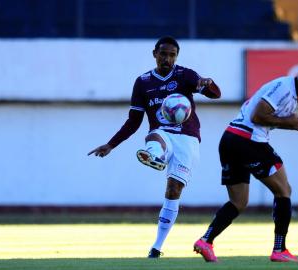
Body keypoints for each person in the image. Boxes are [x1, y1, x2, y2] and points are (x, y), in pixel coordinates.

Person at [88, 36, 221, 258]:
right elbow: (134, 121)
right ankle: (154, 156)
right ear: (154, 54)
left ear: (176, 57)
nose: (167, 58)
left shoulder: (185, 75)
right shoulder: (143, 82)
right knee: (154, 135)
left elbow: (216, 95)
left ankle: (157, 247)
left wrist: (208, 83)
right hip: (163, 133)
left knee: (173, 191)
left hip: (187, 138)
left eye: (172, 55)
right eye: (163, 54)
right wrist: (111, 144)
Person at [193, 58, 298, 263]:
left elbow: (269, 118)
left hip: (231, 139)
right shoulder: (284, 87)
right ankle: (279, 249)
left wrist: (294, 124)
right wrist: (289, 122)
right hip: (247, 140)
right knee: (284, 190)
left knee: (238, 202)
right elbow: (257, 116)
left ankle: (205, 241)